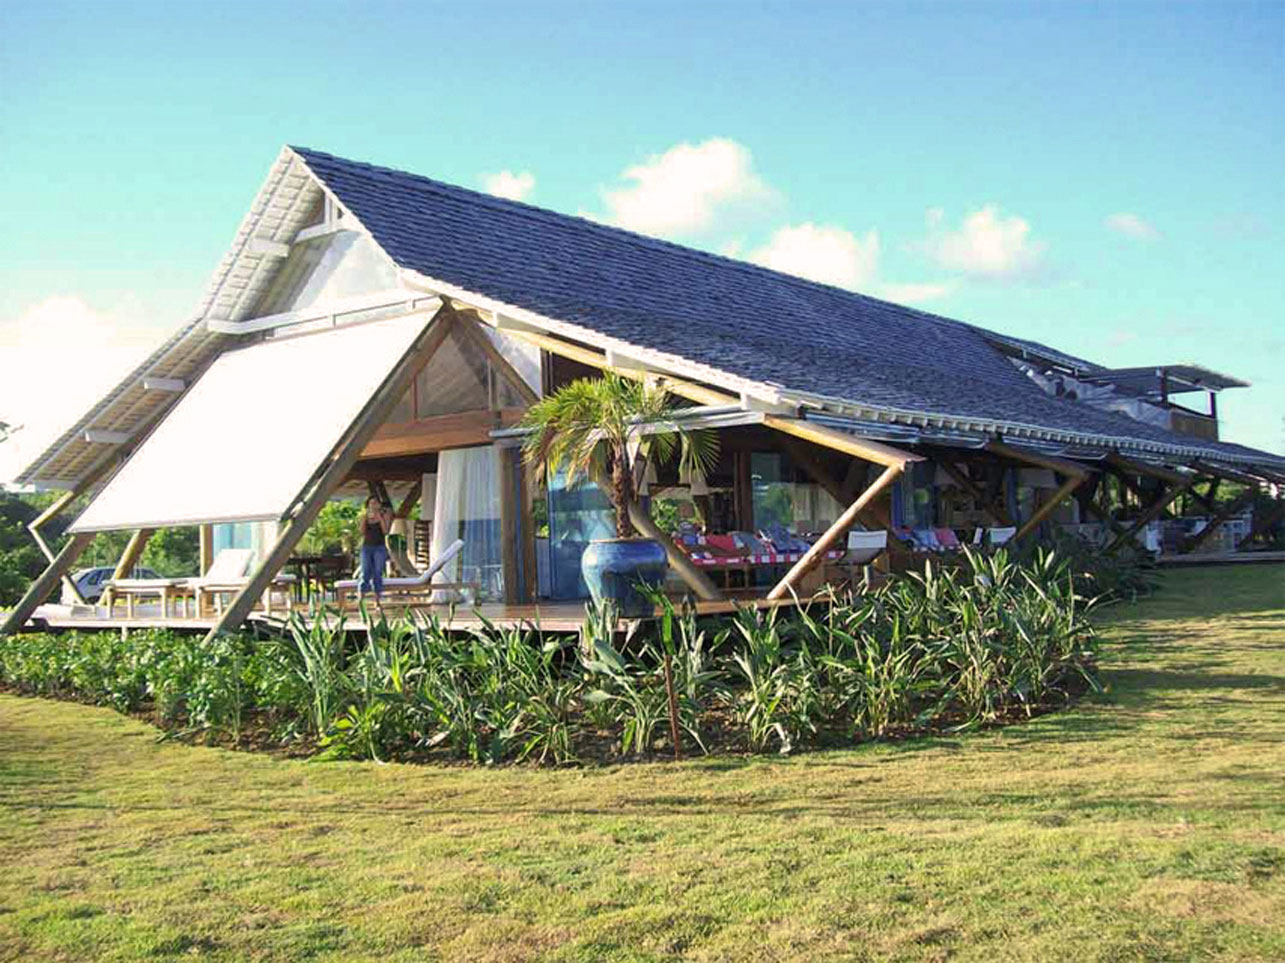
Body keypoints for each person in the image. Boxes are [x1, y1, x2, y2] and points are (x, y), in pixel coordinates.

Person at [358, 496, 392, 603]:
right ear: (368, 505)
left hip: (379, 547)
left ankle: (377, 601)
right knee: (365, 572)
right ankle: (361, 599)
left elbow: (386, 531)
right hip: (367, 547)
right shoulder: (365, 516)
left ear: (379, 505)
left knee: (378, 573)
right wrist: (365, 519)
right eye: (371, 503)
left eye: (375, 503)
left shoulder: (384, 515)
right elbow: (362, 532)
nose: (373, 505)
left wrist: (380, 518)